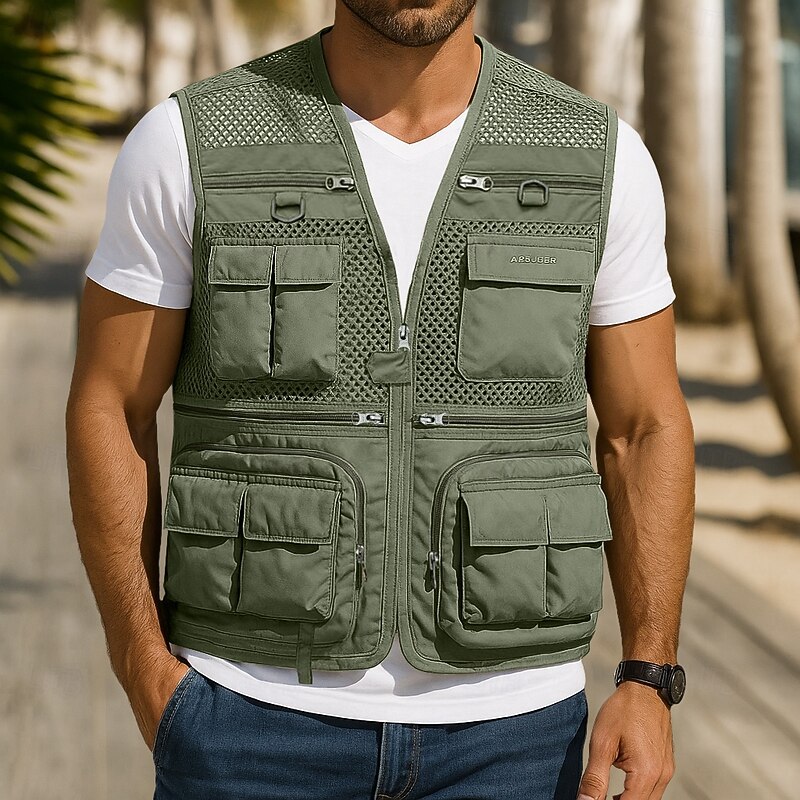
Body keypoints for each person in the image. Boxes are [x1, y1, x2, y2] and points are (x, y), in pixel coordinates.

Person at [65, 2, 695, 799]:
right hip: (246, 720)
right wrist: (144, 670)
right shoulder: (191, 143)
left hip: (518, 739)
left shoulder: (597, 157)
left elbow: (643, 428)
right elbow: (111, 403)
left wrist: (649, 674)